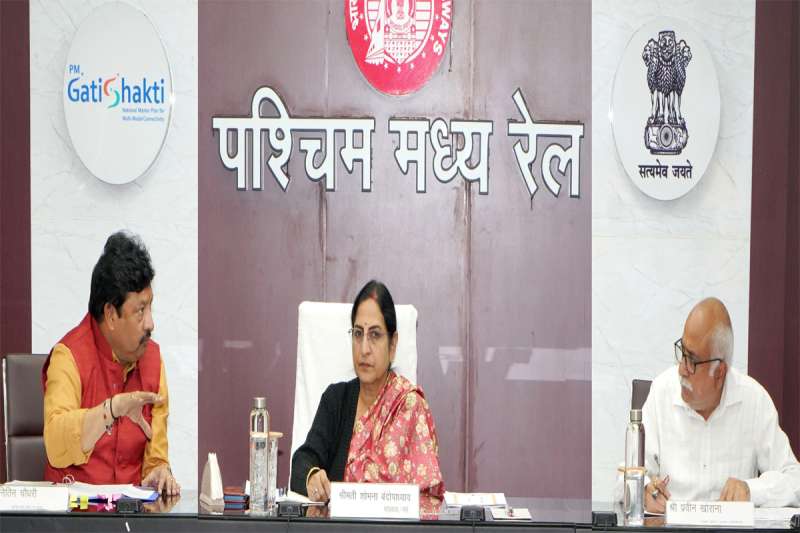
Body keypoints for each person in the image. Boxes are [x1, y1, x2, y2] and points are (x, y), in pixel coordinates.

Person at [42, 231, 179, 495]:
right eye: (140, 310)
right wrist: (112, 409)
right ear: (111, 314)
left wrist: (159, 471)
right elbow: (55, 442)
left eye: (150, 307)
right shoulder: (68, 356)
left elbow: (156, 457)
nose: (151, 323)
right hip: (73, 514)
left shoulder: (153, 361)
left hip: (131, 515)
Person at [291, 280, 445, 510]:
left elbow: (427, 498)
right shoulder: (336, 399)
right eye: (358, 334)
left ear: (393, 344)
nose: (364, 349)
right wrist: (312, 477)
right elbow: (303, 461)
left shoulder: (409, 406)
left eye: (375, 335)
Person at [643, 297, 800, 512]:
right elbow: (626, 477)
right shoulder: (661, 393)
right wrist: (644, 490)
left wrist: (751, 490)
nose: (682, 369)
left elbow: (795, 480)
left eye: (692, 360)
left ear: (719, 372)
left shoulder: (754, 400)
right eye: (682, 352)